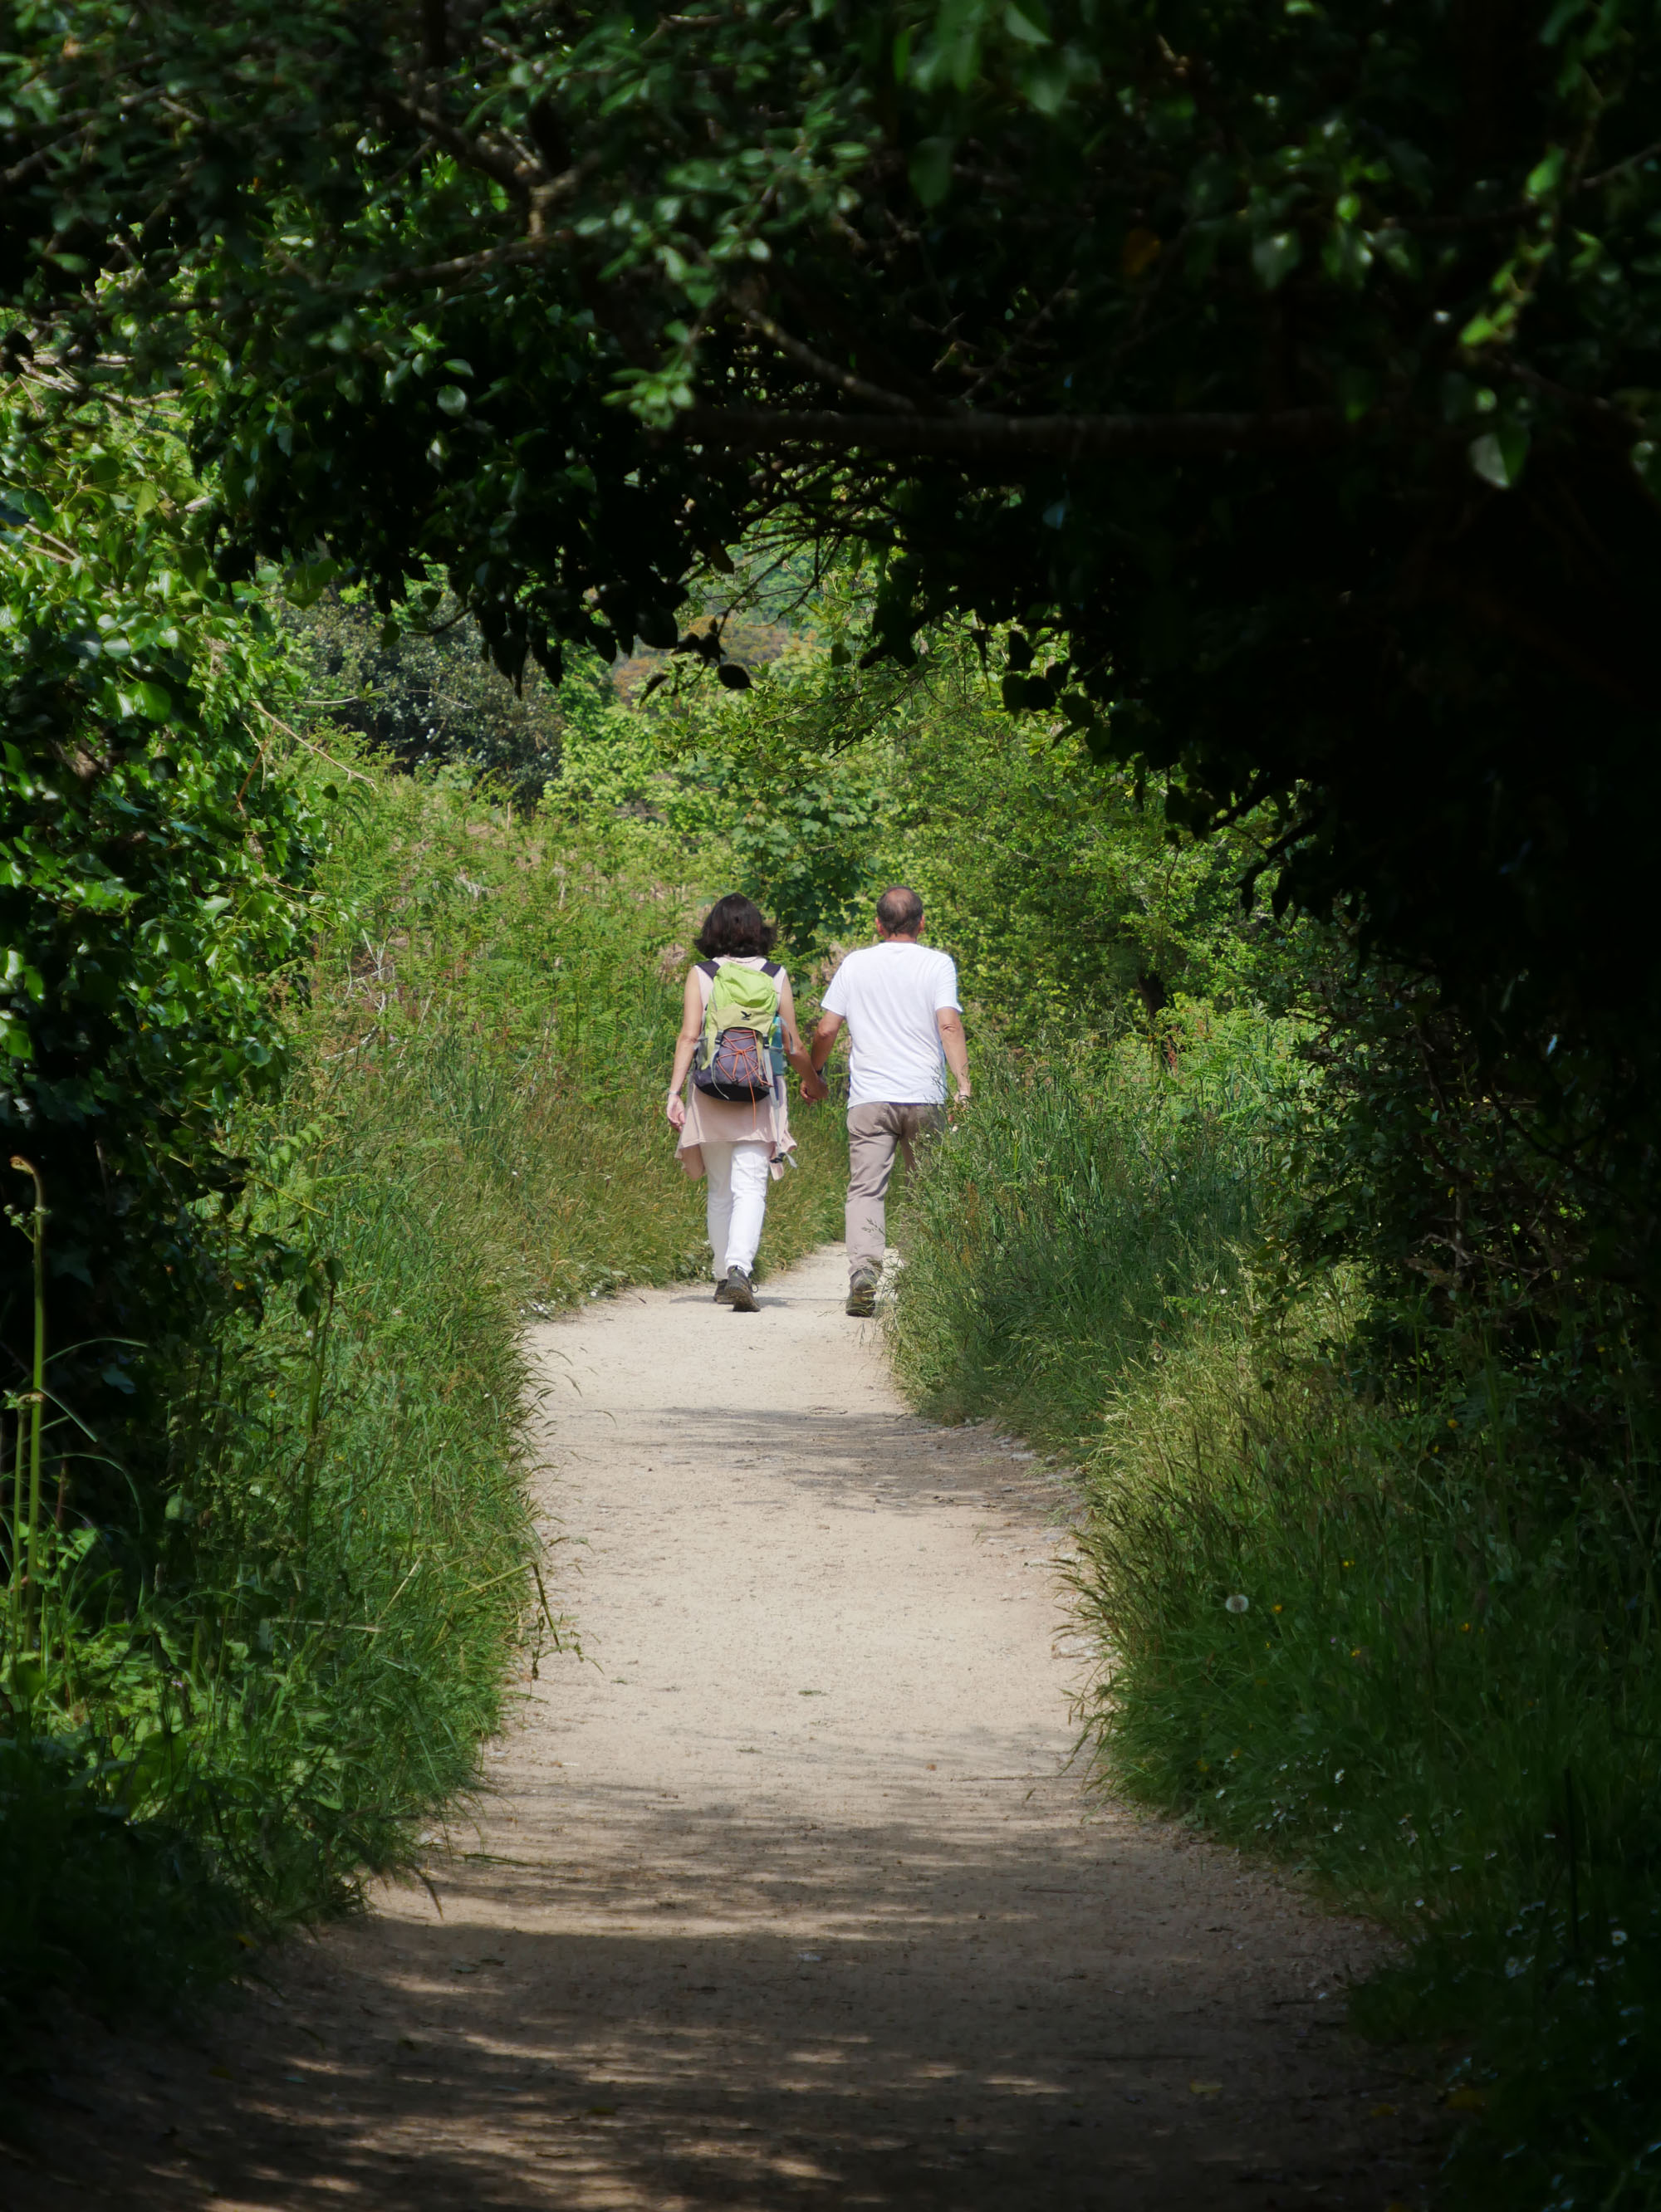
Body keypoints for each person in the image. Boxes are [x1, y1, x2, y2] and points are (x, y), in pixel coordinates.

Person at [808, 886, 970, 1317]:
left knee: (866, 1189)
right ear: (922, 923)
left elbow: (826, 1029)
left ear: (878, 925)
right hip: (925, 1096)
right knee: (925, 1189)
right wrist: (963, 1086)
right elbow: (949, 1026)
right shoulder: (938, 964)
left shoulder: (855, 964)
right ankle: (920, 1286)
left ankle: (864, 1272)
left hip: (870, 1099)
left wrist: (815, 1073)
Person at [666, 893, 828, 1312]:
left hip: (711, 1091)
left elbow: (689, 1036)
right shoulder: (775, 974)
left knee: (720, 1189)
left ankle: (725, 1276)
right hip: (759, 1093)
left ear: (713, 930)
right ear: (759, 929)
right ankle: (740, 1268)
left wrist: (673, 1093)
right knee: (751, 1184)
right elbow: (792, 1045)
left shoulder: (702, 974)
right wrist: (814, 1082)